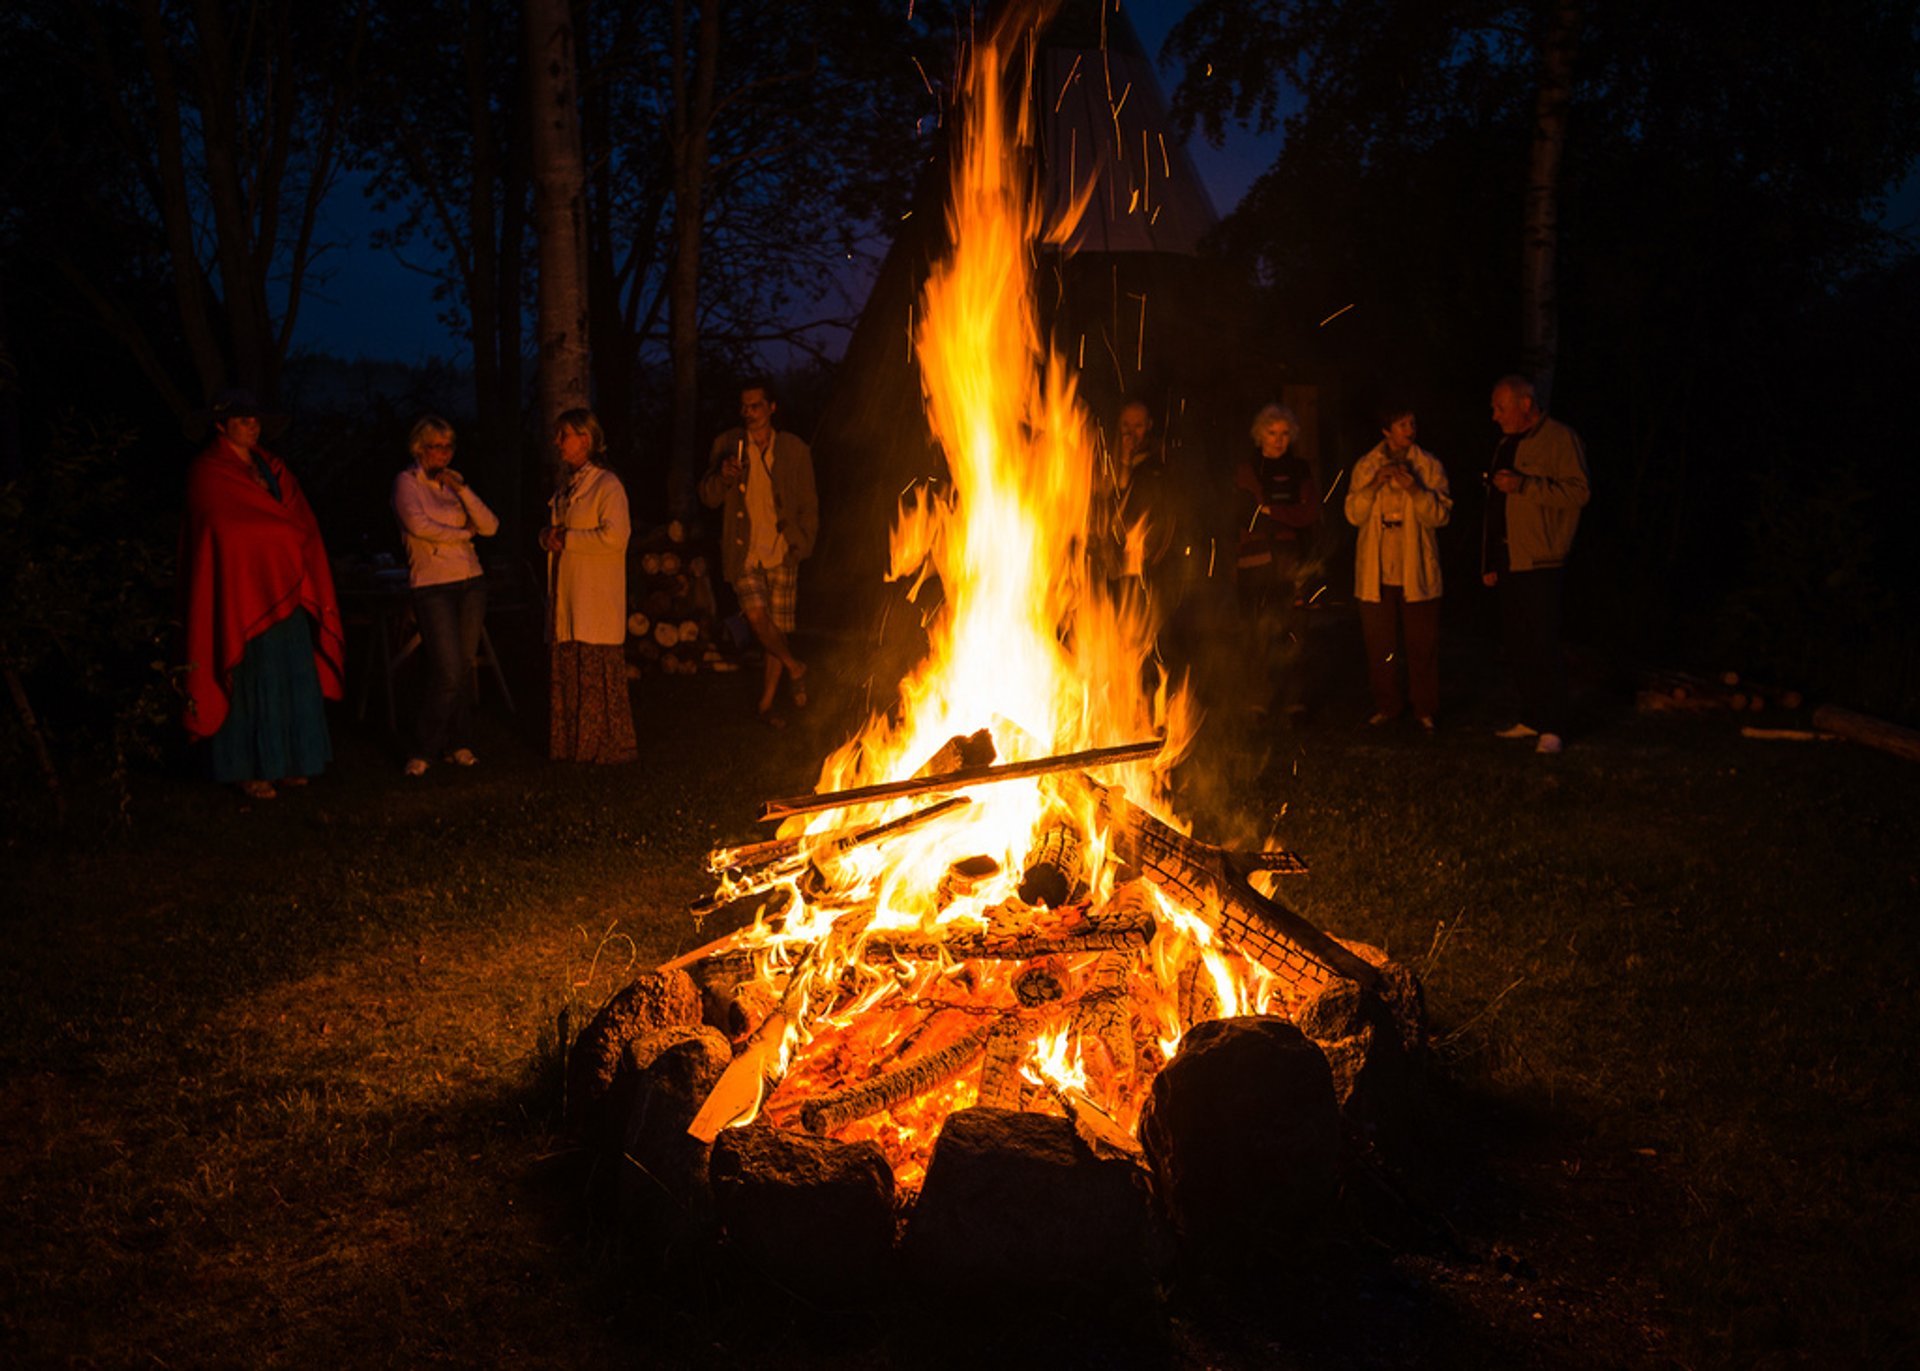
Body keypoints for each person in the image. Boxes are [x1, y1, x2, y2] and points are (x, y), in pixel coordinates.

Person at [178, 388, 346, 800]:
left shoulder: (273, 467)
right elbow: (225, 530)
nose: (252, 426)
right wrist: (277, 536)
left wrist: (284, 539)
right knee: (248, 677)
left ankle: (291, 761)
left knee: (288, 674)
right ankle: (246, 768)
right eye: (242, 420)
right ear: (221, 426)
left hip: (284, 591)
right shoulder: (208, 472)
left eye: (255, 420)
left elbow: (299, 521)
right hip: (241, 594)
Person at [1481, 374, 1590, 755]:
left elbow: (1578, 493)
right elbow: (1496, 507)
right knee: (1518, 643)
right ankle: (1531, 716)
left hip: (1542, 558)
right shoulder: (1507, 443)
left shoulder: (1560, 439)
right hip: (1511, 559)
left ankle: (1554, 725)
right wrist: (1490, 559)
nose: (1494, 415)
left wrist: (1525, 485)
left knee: (1543, 643)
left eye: (1500, 406)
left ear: (1526, 404)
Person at [699, 380, 818, 724]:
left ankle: (766, 705)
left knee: (776, 627)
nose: (748, 413)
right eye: (744, 407)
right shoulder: (727, 445)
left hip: (783, 549)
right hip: (744, 551)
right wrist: (722, 477)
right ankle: (796, 667)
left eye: (755, 406)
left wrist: (804, 540)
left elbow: (809, 501)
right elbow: (708, 497)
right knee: (755, 617)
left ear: (771, 407)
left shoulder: (795, 449)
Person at [392, 415, 499, 776]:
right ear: (420, 448)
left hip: (470, 581)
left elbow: (490, 525)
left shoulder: (452, 484)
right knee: (448, 669)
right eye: (435, 446)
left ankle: (459, 742)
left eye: (447, 446)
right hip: (433, 584)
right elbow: (418, 526)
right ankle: (423, 747)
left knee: (461, 667)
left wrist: (463, 490)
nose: (442, 453)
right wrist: (463, 534)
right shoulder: (407, 483)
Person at [1346, 404, 1451, 732]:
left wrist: (1414, 489)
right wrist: (1375, 484)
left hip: (1416, 567)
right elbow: (1353, 514)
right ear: (1386, 431)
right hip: (1376, 570)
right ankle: (1388, 705)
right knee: (1380, 645)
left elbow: (1441, 516)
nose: (1410, 429)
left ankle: (1425, 707)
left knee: (1422, 643)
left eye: (1412, 423)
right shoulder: (1366, 466)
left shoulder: (1428, 465)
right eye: (1402, 424)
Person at [541, 408, 636, 763]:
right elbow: (559, 530)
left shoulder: (606, 485)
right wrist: (546, 538)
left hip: (594, 599)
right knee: (570, 666)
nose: (557, 442)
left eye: (563, 434)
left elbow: (616, 537)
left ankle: (603, 746)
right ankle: (572, 745)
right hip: (569, 596)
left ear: (585, 438)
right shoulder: (568, 486)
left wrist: (569, 539)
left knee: (594, 668)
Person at [1235, 403, 1321, 718]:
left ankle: (1292, 700)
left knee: (1291, 631)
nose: (1278, 440)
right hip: (1254, 564)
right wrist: (1278, 516)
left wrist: (1273, 512)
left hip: (1289, 564)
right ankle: (1257, 699)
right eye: (1272, 433)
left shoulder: (1300, 470)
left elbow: (1308, 513)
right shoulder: (1247, 469)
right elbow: (1245, 515)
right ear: (1260, 435)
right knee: (1256, 633)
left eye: (1285, 433)